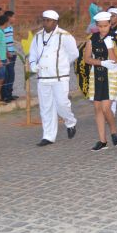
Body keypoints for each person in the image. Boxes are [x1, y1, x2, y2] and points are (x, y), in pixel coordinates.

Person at [29, 10, 78, 147]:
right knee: (46, 107)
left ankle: (70, 122)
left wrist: (61, 64)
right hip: (43, 78)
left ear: (55, 22)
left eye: (48, 20)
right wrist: (33, 65)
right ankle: (48, 136)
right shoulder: (38, 36)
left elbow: (74, 53)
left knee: (62, 104)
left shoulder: (65, 36)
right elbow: (32, 54)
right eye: (44, 20)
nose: (45, 23)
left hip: (60, 77)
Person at [84, 11, 117, 152]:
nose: (102, 29)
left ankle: (113, 130)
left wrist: (110, 46)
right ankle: (102, 141)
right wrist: (101, 63)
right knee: (97, 108)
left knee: (106, 108)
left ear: (110, 24)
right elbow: (87, 58)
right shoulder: (91, 38)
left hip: (112, 74)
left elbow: (115, 59)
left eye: (105, 26)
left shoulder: (116, 37)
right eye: (100, 26)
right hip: (97, 72)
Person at [1, 11, 18, 102]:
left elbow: (10, 41)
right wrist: (6, 55)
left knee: (11, 75)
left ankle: (9, 94)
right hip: (7, 55)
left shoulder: (11, 28)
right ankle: (5, 96)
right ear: (9, 18)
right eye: (13, 17)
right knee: (7, 75)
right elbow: (3, 43)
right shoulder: (3, 29)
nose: (15, 19)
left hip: (12, 54)